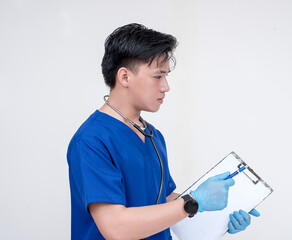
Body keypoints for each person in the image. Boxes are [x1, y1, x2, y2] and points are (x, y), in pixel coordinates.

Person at [66, 23, 260, 240]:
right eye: (158, 76)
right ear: (124, 77)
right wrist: (193, 201)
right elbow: (115, 227)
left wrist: (220, 214)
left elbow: (163, 201)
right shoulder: (91, 141)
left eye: (166, 76)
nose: (166, 86)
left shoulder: (152, 135)